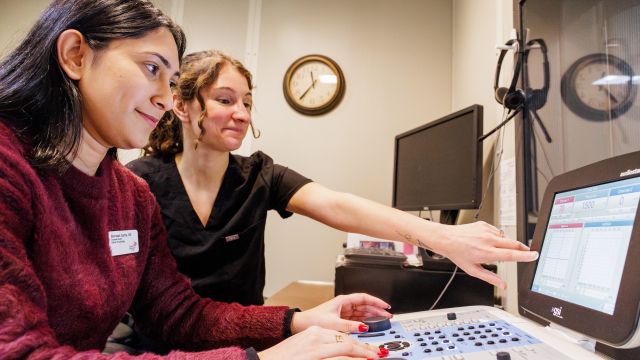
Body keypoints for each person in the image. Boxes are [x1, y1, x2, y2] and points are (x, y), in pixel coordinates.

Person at [0, 1, 394, 359]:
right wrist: (265, 357)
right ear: (75, 55)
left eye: (170, 82)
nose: (162, 97)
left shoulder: (131, 196)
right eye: (151, 68)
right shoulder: (12, 166)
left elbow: (176, 313)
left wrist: (293, 322)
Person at [127, 50, 539, 307]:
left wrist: (440, 237)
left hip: (246, 339)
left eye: (247, 102)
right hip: (159, 347)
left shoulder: (258, 175)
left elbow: (335, 204)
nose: (242, 113)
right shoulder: (138, 183)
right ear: (181, 106)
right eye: (225, 100)